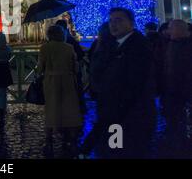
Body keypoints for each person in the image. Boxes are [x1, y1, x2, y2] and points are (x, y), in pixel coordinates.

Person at [81, 8, 155, 159]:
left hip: (127, 114)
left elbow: (134, 82)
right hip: (116, 111)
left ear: (132, 23)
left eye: (119, 20)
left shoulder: (137, 46)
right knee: (115, 148)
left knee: (122, 149)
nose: (113, 24)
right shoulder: (117, 44)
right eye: (111, 21)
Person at [38, 25, 82, 158]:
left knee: (52, 109)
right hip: (67, 81)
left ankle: (49, 142)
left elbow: (41, 67)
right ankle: (72, 142)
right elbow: (75, 66)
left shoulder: (45, 48)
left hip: (51, 81)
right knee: (70, 110)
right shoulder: (68, 47)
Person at [160, 19, 192, 152]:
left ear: (179, 30)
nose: (168, 30)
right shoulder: (172, 43)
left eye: (171, 28)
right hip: (173, 89)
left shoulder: (182, 46)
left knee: (180, 119)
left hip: (181, 90)